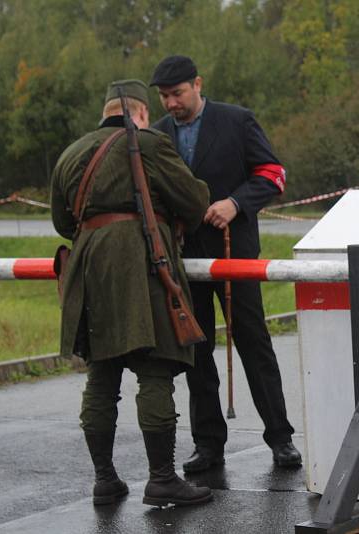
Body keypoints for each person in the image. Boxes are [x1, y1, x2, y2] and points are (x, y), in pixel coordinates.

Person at [50, 79, 213, 507]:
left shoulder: (71, 153)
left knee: (101, 378)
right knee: (155, 370)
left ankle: (105, 480)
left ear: (105, 111)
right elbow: (194, 203)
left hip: (89, 270)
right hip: (144, 267)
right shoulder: (150, 144)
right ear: (140, 112)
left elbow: (61, 223)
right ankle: (162, 478)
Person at [149, 55, 302, 471]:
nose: (171, 103)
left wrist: (235, 203)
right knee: (196, 351)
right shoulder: (157, 135)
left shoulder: (237, 121)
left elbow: (272, 174)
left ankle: (281, 437)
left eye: (177, 94)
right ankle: (209, 445)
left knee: (254, 344)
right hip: (182, 261)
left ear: (197, 84)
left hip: (235, 255)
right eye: (164, 96)